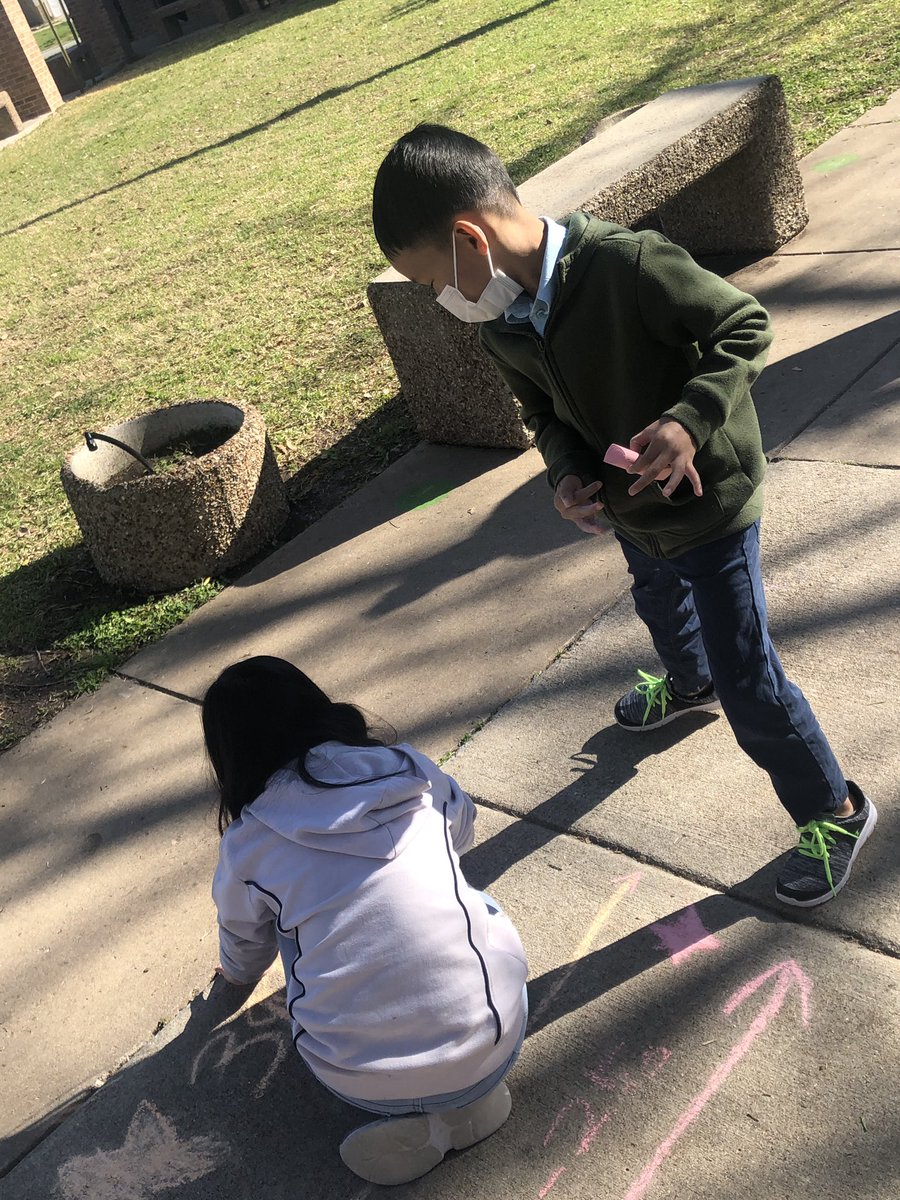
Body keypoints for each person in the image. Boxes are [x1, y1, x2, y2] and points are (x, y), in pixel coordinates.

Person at [371, 123, 876, 908]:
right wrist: (567, 474)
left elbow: (743, 325)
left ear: (473, 238)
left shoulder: (626, 265)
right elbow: (543, 412)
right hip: (632, 510)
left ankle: (835, 811)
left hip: (708, 505)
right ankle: (687, 679)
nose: (445, 304)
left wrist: (689, 419)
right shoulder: (503, 320)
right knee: (658, 600)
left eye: (438, 283)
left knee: (750, 679)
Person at [203, 656, 528, 1186]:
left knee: (293, 932)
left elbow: (244, 942)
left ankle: (411, 1122)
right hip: (496, 1039)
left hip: (359, 1081)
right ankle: (467, 1099)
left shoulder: (249, 844)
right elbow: (462, 832)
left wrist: (234, 979)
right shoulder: (409, 770)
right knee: (472, 901)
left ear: (231, 755)